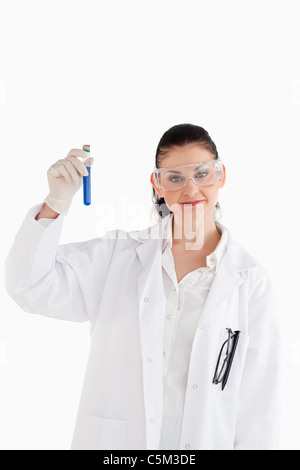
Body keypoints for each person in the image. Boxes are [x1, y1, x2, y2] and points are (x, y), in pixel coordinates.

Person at [5, 124, 281, 450]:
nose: (191, 189)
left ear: (221, 176)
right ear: (158, 184)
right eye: (175, 178)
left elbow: (259, 409)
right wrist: (55, 202)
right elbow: (28, 285)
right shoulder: (118, 257)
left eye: (203, 174)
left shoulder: (250, 281)